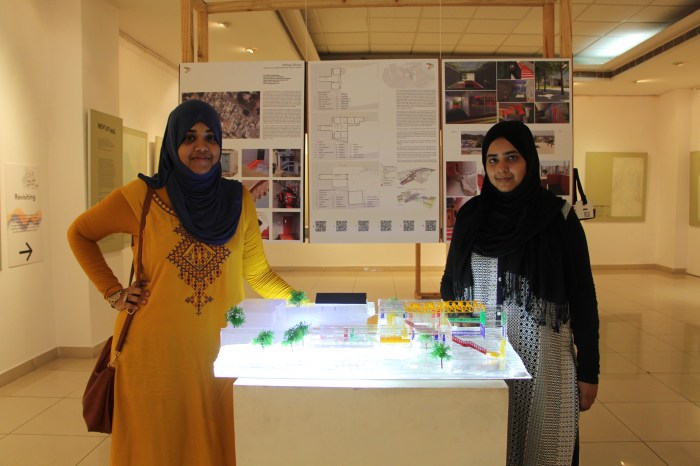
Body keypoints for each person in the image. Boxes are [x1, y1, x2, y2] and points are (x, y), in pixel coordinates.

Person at [68, 99, 295, 465]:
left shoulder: (237, 200)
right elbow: (80, 233)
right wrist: (114, 293)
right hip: (154, 357)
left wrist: (305, 302)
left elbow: (258, 274)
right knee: (156, 450)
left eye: (210, 137)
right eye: (189, 137)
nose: (201, 146)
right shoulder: (141, 197)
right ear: (173, 143)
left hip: (219, 353)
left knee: (218, 445)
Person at [440, 120, 599, 466]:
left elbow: (583, 296)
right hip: (483, 356)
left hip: (544, 359)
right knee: (487, 443)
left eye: (512, 157)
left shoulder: (558, 217)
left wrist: (590, 370)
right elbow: (450, 282)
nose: (502, 168)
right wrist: (465, 338)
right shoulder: (471, 216)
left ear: (529, 160)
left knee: (543, 444)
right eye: (493, 160)